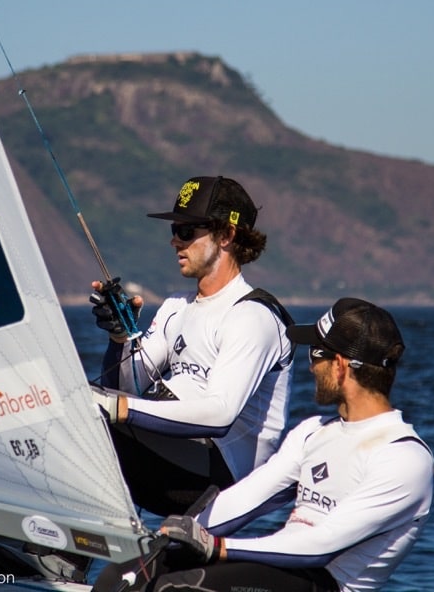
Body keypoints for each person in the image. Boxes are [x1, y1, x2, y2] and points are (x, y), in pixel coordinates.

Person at [92, 297, 434, 592]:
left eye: (316, 355)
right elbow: (248, 498)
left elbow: (320, 546)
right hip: (280, 568)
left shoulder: (404, 458)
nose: (311, 366)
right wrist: (171, 538)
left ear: (341, 366)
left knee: (179, 588)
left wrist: (216, 547)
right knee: (125, 575)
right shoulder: (313, 432)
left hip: (325, 580)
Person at [90, 175, 295, 517]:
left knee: (89, 412)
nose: (175, 241)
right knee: (68, 402)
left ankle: (63, 552)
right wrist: (120, 338)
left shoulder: (253, 316)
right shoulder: (175, 306)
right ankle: (57, 550)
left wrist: (115, 409)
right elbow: (125, 387)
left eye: (187, 231)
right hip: (173, 455)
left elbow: (219, 415)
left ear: (226, 235)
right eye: (174, 231)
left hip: (221, 479)